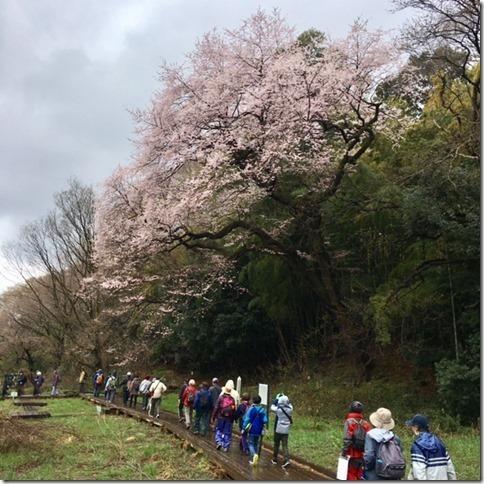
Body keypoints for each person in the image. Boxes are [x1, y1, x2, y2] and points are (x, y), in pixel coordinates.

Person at [406, 414, 457, 480]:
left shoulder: (417, 446)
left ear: (416, 427)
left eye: (412, 426)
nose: (411, 428)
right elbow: (450, 470)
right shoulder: (439, 443)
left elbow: (419, 475)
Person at [364, 407, 405, 480]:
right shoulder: (395, 437)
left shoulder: (371, 435)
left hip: (375, 474)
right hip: (392, 472)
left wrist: (366, 467)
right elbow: (401, 455)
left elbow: (369, 456)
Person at [341, 400, 371, 480]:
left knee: (350, 473)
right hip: (362, 454)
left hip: (351, 453)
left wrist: (344, 452)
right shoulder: (366, 423)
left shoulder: (349, 422)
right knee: (359, 474)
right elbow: (369, 440)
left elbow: (347, 438)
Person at [242, 395, 268, 466]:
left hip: (252, 429)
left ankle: (254, 455)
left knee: (250, 443)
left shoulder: (251, 409)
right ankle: (254, 460)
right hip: (259, 429)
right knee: (256, 444)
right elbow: (265, 420)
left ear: (253, 401)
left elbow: (247, 419)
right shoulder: (263, 410)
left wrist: (244, 427)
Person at [212, 381, 237, 452]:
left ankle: (219, 442)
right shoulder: (232, 399)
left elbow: (216, 407)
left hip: (220, 416)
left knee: (219, 429)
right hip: (228, 418)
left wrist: (213, 416)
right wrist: (233, 418)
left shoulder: (221, 398)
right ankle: (226, 445)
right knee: (227, 431)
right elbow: (234, 409)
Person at [271, 394, 293, 468]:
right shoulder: (290, 409)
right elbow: (290, 404)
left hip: (278, 429)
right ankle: (286, 460)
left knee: (276, 444)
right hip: (286, 430)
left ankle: (274, 459)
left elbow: (272, 407)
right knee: (285, 446)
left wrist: (275, 401)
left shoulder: (278, 410)